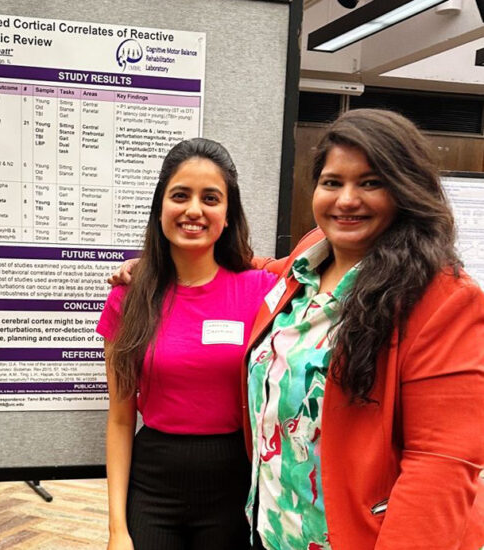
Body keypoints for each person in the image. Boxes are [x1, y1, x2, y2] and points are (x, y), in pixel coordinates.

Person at [243, 108, 484, 549]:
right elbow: (265, 270)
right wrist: (171, 268)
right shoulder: (310, 256)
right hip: (274, 531)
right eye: (332, 182)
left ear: (406, 190)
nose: (346, 199)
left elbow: (442, 467)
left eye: (370, 183)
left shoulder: (444, 300)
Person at [97, 137, 277, 550]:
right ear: (161, 207)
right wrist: (116, 531)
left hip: (234, 486)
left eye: (210, 198)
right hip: (153, 487)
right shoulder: (128, 298)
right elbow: (121, 420)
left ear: (227, 214)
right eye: (181, 195)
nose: (194, 209)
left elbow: (324, 256)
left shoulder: (262, 291)